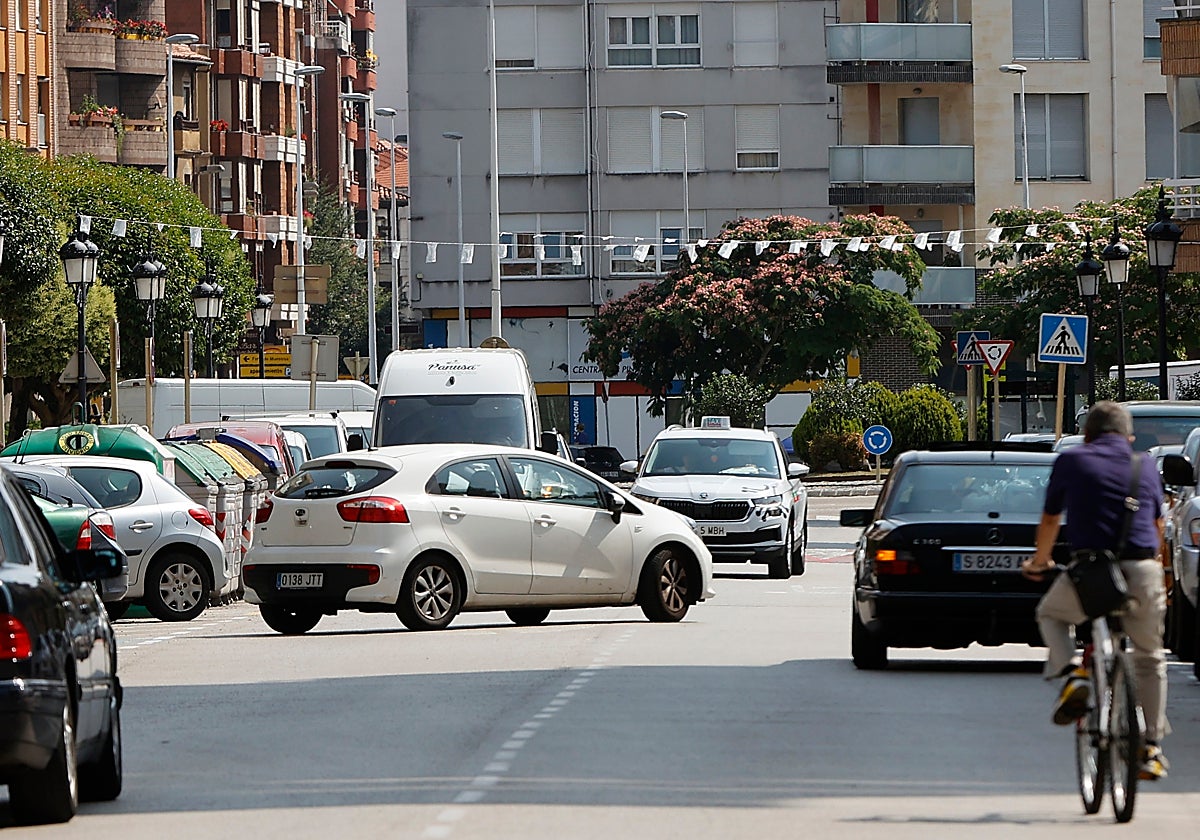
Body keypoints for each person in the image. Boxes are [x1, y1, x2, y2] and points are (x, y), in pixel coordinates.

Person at [1021, 401, 1170, 781]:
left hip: (1091, 571)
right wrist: (1156, 575)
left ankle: (1074, 674)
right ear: (1129, 437)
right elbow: (1156, 526)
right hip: (1142, 570)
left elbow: (1052, 518)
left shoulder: (1072, 461)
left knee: (1051, 614)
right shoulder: (1146, 465)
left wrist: (1039, 563)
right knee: (1150, 658)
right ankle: (1150, 747)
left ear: (1087, 435)